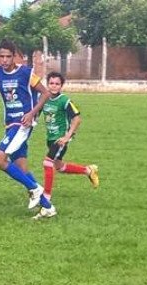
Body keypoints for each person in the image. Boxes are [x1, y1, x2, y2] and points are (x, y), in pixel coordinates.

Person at [0, 39, 56, 219]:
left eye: (8, 56)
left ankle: (35, 189)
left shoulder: (26, 72)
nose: (5, 60)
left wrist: (32, 114)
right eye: (2, 56)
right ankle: (48, 208)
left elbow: (46, 93)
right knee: (21, 168)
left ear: (14, 56)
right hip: (10, 123)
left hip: (22, 123)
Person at [40, 71, 99, 202]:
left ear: (61, 86)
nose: (54, 86)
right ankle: (88, 171)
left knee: (47, 163)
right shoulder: (44, 98)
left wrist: (67, 137)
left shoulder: (64, 100)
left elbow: (77, 119)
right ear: (47, 84)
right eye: (51, 83)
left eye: (57, 84)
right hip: (50, 138)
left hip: (60, 139)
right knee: (59, 167)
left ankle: (46, 198)